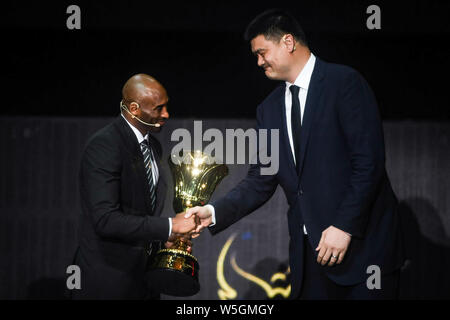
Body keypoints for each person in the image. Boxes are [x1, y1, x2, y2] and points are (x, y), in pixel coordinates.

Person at [186, 9, 404, 299]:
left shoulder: (344, 83)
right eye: (256, 56)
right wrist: (212, 213)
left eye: (262, 52)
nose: (259, 61)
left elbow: (369, 163)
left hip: (363, 252)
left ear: (288, 42)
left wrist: (344, 226)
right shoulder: (269, 108)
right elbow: (260, 180)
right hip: (309, 256)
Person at [71, 74, 197, 299]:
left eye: (166, 106)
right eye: (159, 108)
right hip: (108, 281)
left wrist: (163, 239)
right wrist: (169, 226)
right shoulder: (105, 145)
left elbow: (140, 212)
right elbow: (105, 220)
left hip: (144, 280)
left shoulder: (153, 146)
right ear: (134, 108)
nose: (166, 114)